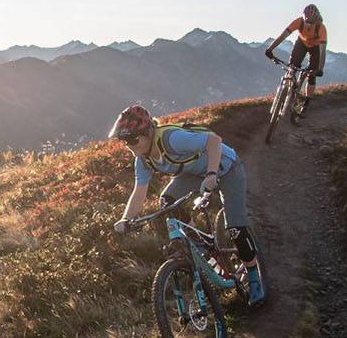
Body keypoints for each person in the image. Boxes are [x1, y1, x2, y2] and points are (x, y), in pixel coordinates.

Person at [108, 104, 265, 305]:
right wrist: (125, 219)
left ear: (147, 132)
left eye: (131, 139)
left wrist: (211, 174)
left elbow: (213, 140)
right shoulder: (143, 160)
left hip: (226, 168)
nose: (128, 145)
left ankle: (254, 277)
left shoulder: (172, 138)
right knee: (167, 201)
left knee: (235, 228)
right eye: (124, 141)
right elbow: (139, 192)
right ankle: (198, 242)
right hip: (193, 173)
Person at [265, 4, 327, 120]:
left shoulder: (321, 28)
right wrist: (270, 49)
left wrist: (320, 69)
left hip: (315, 48)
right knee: (292, 66)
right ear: (303, 18)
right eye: (306, 22)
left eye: (311, 23)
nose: (308, 25)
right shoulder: (299, 22)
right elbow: (283, 36)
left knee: (312, 75)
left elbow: (322, 51)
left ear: (316, 20)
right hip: (302, 43)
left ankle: (306, 104)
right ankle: (288, 89)